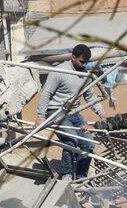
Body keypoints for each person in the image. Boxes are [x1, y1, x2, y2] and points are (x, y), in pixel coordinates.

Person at [35, 44, 109, 181]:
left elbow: (91, 97)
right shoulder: (59, 71)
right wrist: (40, 117)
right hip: (56, 112)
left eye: (87, 62)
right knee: (71, 140)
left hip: (74, 113)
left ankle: (81, 177)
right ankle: (67, 174)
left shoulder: (85, 74)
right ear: (73, 57)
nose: (84, 65)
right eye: (82, 62)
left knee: (88, 142)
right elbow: (46, 94)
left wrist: (102, 114)